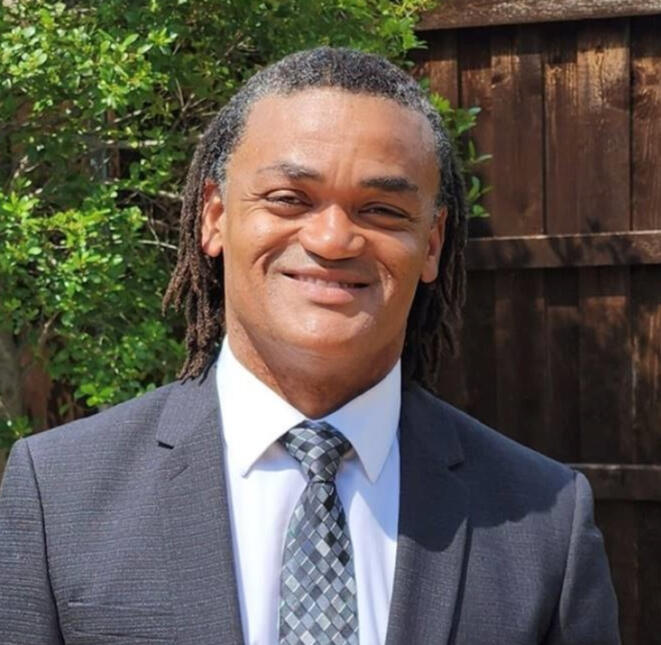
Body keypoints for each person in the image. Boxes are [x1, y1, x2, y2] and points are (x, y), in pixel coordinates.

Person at [0, 47, 620, 645]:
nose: (331, 239)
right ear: (214, 217)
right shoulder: (59, 494)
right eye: (289, 199)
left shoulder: (544, 519)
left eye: (381, 209)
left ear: (432, 243)